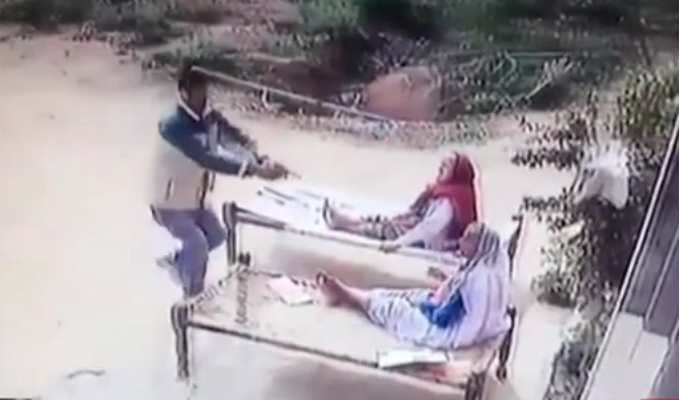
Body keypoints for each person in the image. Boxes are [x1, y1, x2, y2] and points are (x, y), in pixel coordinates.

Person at [150, 62, 291, 297]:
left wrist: (259, 159)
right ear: (183, 93)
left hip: (197, 200)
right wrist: (253, 171)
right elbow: (206, 158)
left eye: (204, 91)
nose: (202, 98)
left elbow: (235, 141)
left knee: (217, 236)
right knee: (197, 244)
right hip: (168, 204)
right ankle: (192, 296)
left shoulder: (211, 119)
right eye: (197, 92)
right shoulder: (172, 127)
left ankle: (178, 262)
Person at [316, 223, 511, 350]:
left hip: (450, 331)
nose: (461, 241)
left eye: (467, 238)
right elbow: (466, 297)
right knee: (407, 295)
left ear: (479, 246)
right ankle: (356, 295)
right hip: (461, 319)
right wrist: (446, 284)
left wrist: (432, 308)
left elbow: (454, 318)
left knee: (396, 309)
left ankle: (347, 295)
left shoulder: (478, 280)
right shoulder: (491, 267)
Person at [323, 152, 478, 253]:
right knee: (390, 219)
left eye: (447, 165)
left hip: (432, 242)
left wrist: (399, 243)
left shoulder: (451, 201)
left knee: (388, 229)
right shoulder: (444, 191)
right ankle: (348, 220)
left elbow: (430, 228)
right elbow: (416, 213)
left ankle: (344, 226)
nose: (440, 167)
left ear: (457, 173)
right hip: (421, 230)